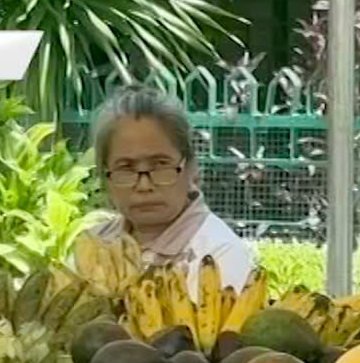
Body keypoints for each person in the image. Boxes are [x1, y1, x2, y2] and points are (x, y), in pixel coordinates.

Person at [85, 84, 255, 293]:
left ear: (191, 167)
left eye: (160, 164)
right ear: (106, 176)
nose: (144, 185)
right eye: (126, 167)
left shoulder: (219, 255)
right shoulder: (93, 245)